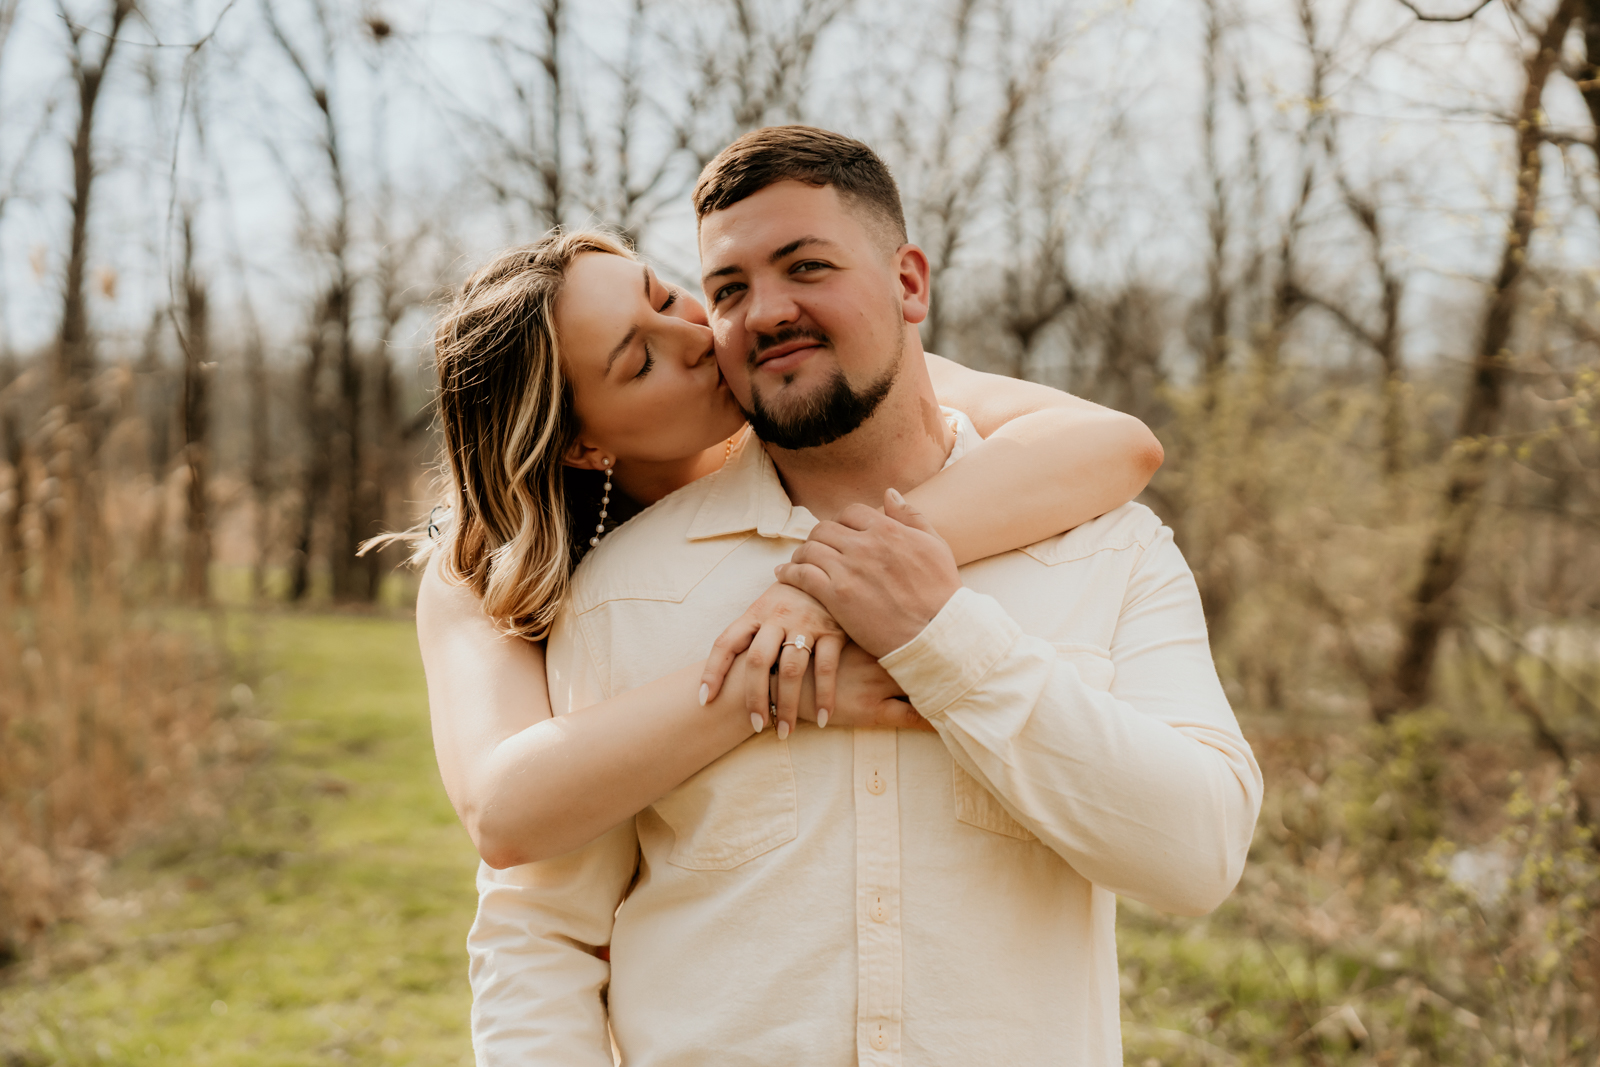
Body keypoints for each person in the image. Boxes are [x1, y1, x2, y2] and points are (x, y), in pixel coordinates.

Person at [468, 125, 1263, 1065]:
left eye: (807, 266)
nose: (766, 312)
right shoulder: (618, 595)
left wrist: (945, 640)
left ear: (909, 282)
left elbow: (1198, 859)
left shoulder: (1107, 546)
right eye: (728, 288)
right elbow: (539, 932)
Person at [408, 229, 1164, 870]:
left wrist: (832, 577)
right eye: (641, 360)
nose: (698, 339)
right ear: (582, 445)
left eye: (665, 299)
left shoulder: (814, 396)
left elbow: (1116, 444)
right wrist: (767, 681)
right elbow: (501, 812)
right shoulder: (478, 565)